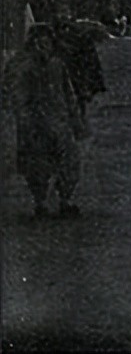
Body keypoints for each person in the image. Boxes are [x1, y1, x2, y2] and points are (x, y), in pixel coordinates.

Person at [11, 24, 90, 218]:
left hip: (60, 122)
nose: (44, 47)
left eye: (47, 42)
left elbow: (68, 94)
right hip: (37, 125)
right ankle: (41, 203)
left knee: (69, 163)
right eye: (40, 43)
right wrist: (26, 123)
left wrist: (76, 120)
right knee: (37, 166)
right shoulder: (25, 69)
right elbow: (20, 99)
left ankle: (65, 201)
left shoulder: (57, 66)